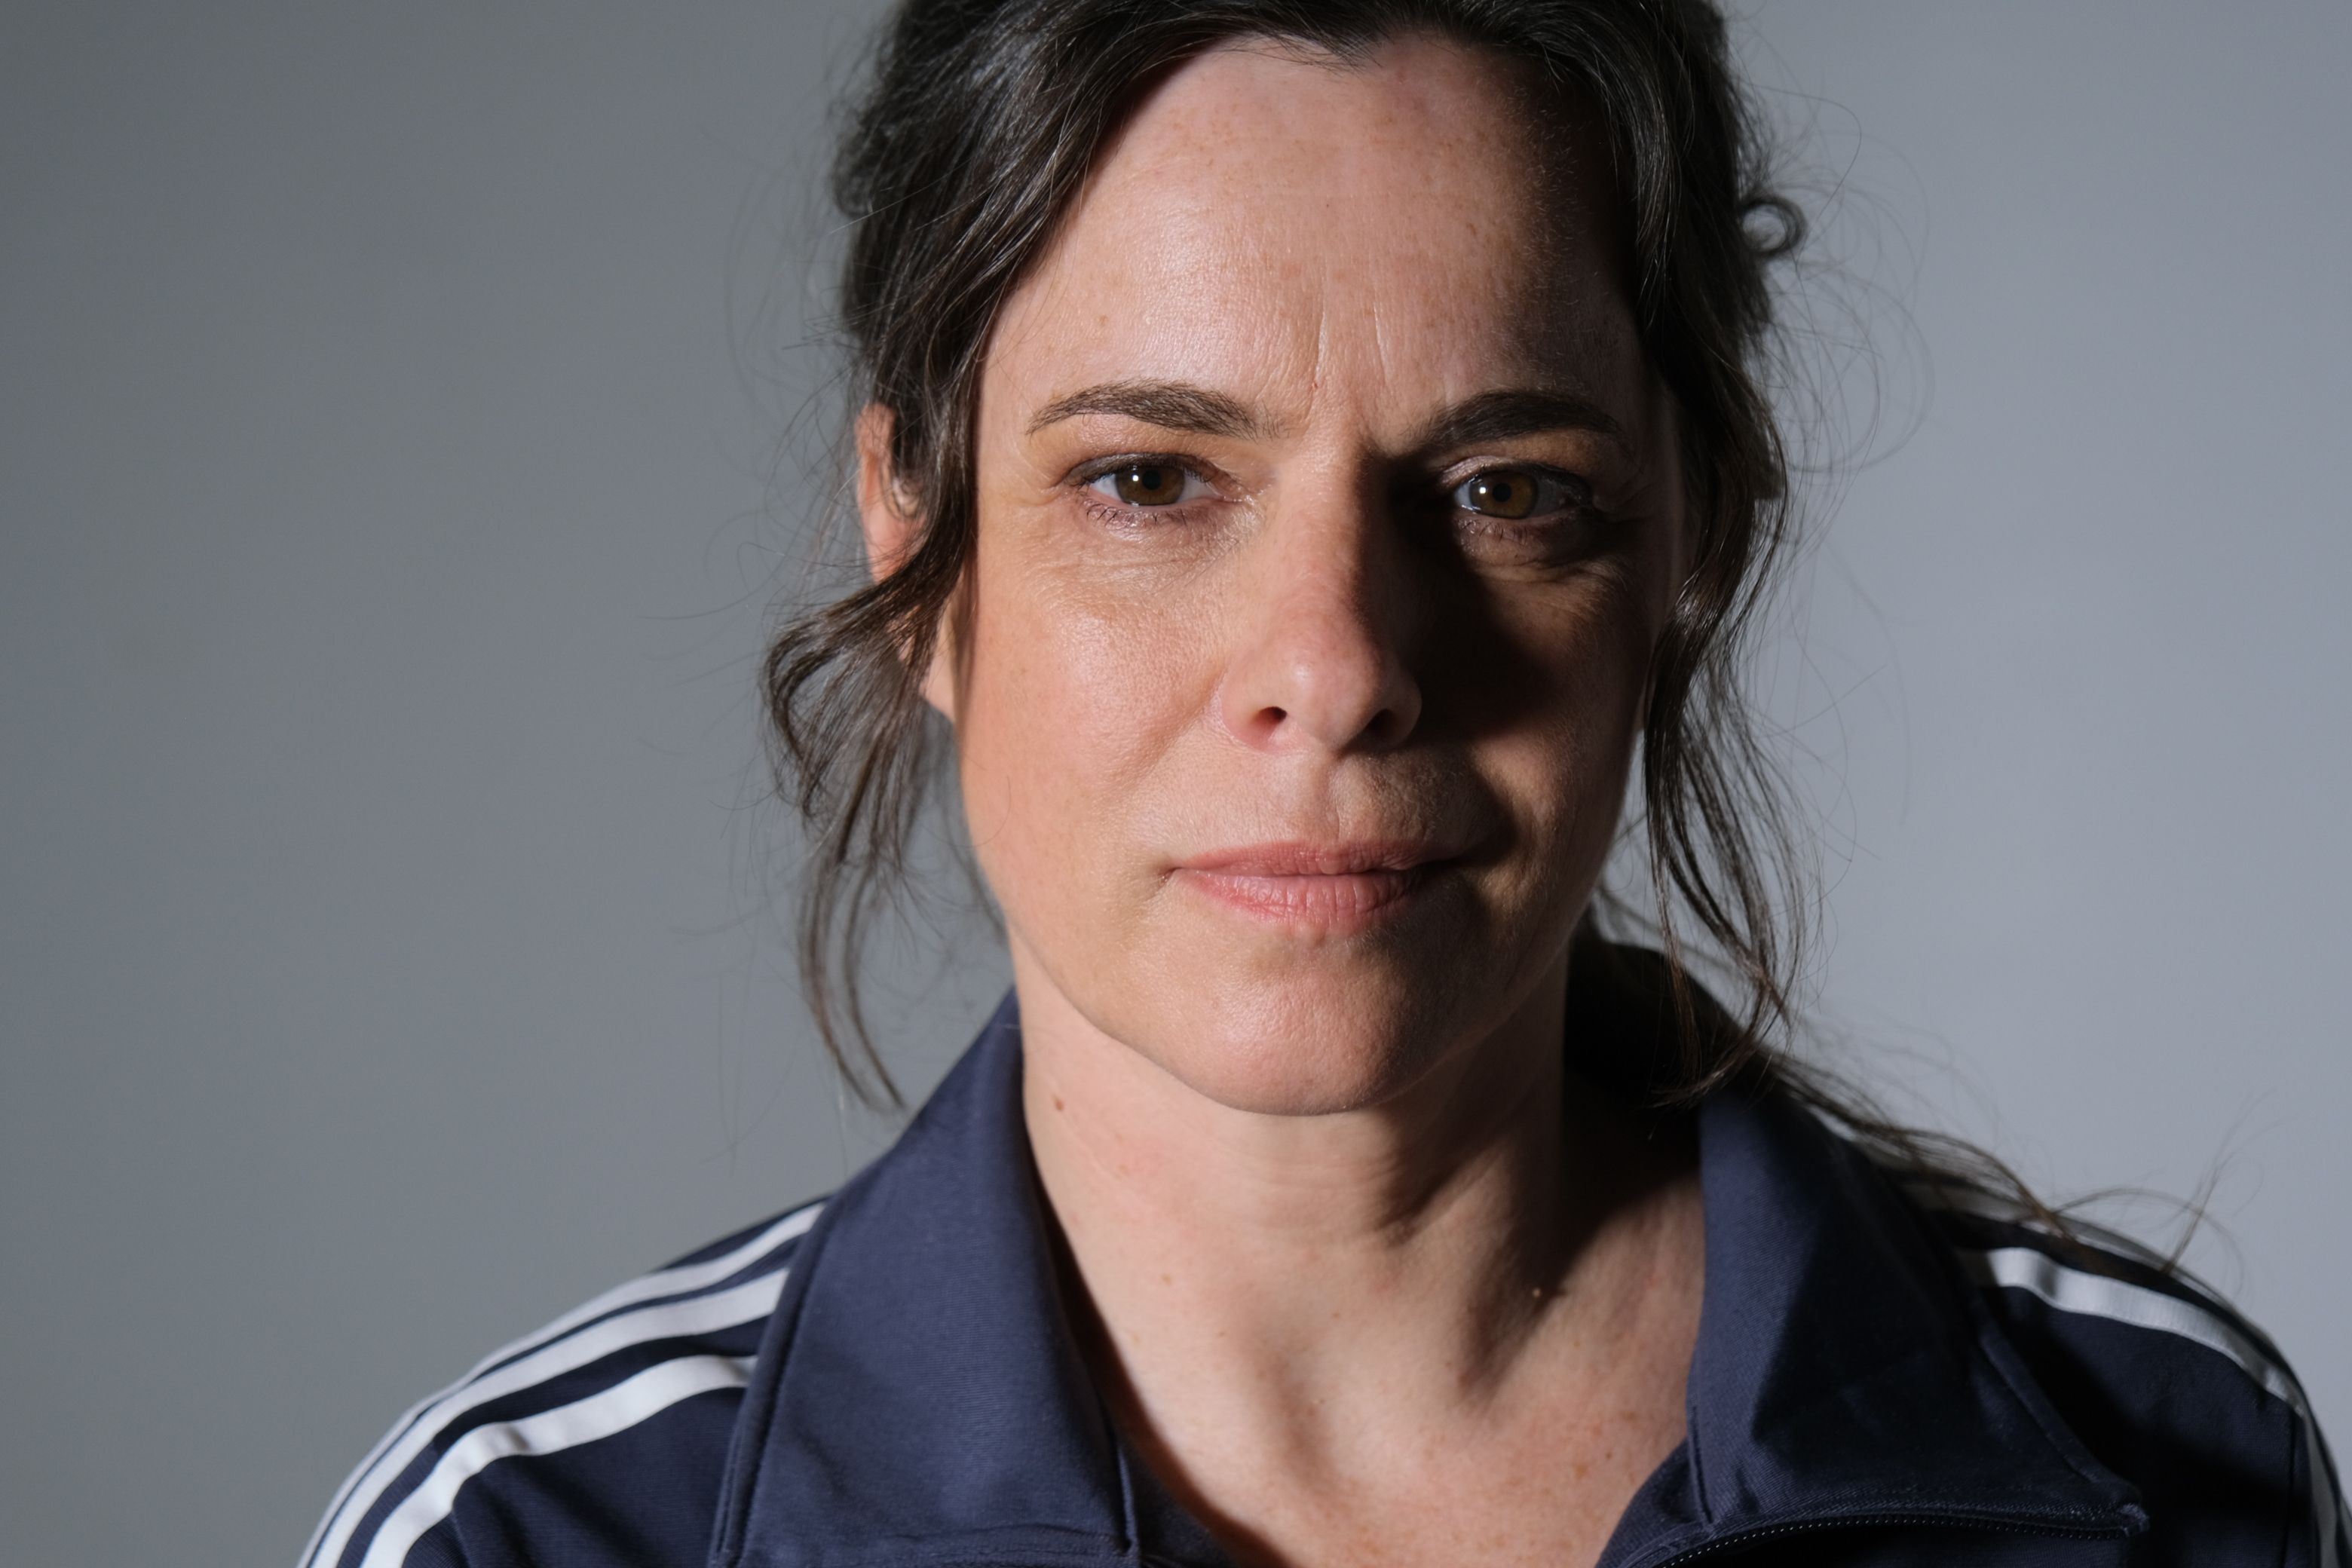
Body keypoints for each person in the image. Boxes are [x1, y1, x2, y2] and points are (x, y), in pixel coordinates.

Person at [301, 2, 2346, 1564]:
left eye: (1504, 489)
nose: (1340, 668)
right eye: (1149, 479)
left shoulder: (2172, 1471)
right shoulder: (534, 1536)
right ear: (914, 540)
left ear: (1693, 539)